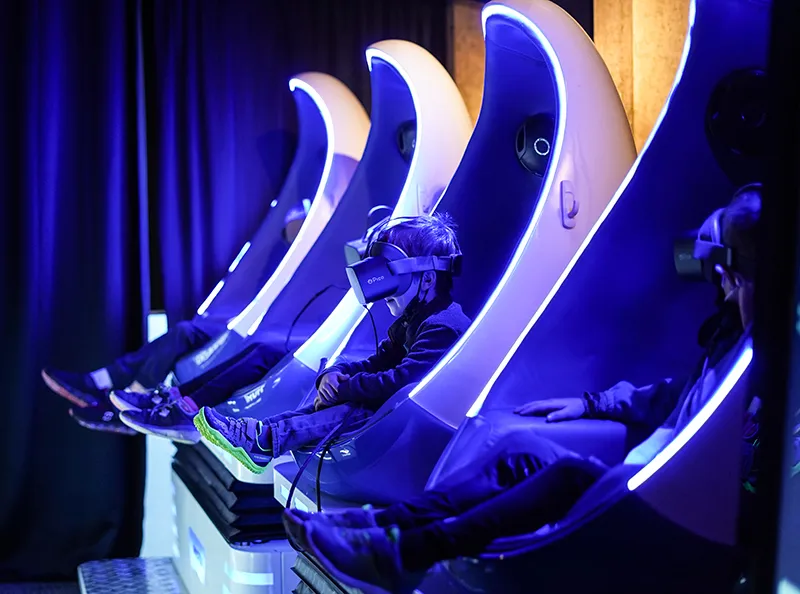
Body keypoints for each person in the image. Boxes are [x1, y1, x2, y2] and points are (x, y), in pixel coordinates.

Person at [282, 185, 762, 594]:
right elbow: (677, 394)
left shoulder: (770, 361)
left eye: (732, 279)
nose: (721, 288)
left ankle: (402, 553)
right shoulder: (732, 342)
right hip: (665, 487)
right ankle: (376, 527)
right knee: (518, 447)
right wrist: (591, 403)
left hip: (705, 522)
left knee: (567, 476)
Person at [192, 213, 471, 474]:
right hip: (397, 419)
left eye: (389, 273)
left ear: (428, 279)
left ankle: (265, 440)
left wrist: (345, 389)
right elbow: (378, 362)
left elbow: (401, 382)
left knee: (355, 410)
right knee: (333, 403)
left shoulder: (443, 326)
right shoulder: (412, 319)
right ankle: (262, 436)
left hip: (420, 434)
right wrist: (335, 375)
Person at [42, 202, 308, 416]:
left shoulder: (316, 267)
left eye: (299, 230)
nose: (292, 237)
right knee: (184, 332)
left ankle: (127, 396)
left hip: (275, 334)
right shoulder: (281, 263)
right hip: (251, 326)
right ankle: (106, 383)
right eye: (289, 232)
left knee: (189, 333)